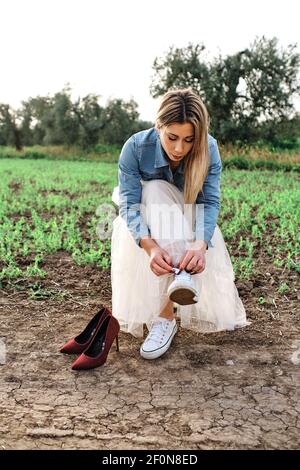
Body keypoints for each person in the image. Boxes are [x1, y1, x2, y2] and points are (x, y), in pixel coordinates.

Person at [111, 88, 249, 360]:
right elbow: (129, 204)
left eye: (189, 140)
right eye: (172, 137)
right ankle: (179, 282)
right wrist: (150, 248)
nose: (179, 149)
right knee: (154, 189)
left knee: (162, 196)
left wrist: (199, 246)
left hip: (191, 220)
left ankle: (165, 318)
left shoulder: (208, 148)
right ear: (158, 125)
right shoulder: (136, 148)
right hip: (148, 221)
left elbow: (209, 202)